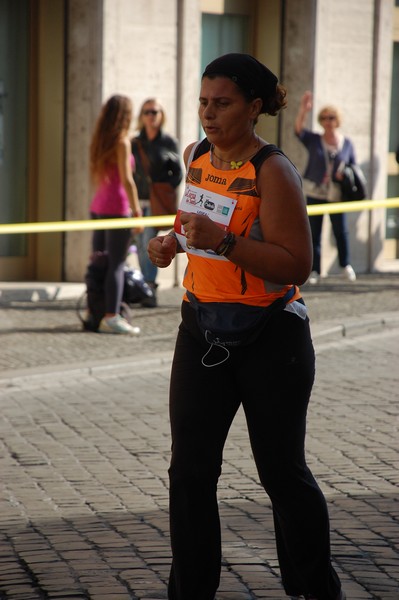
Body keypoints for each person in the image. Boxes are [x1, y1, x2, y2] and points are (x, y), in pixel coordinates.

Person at [147, 53, 346, 600]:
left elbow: (295, 265)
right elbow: (190, 227)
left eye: (223, 103)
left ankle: (313, 589)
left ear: (254, 107)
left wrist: (225, 242)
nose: (209, 114)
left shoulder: (274, 171)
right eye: (204, 103)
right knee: (188, 474)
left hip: (270, 337)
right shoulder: (196, 155)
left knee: (282, 475)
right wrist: (169, 245)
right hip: (200, 328)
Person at [89, 94, 142, 334]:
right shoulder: (122, 141)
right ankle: (112, 315)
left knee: (99, 263)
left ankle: (95, 312)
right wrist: (138, 211)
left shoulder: (100, 140)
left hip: (98, 206)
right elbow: (127, 181)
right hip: (118, 208)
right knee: (117, 264)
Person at [295, 91, 357, 285]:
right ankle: (315, 270)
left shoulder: (346, 143)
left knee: (341, 231)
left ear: (337, 120)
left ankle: (345, 266)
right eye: (323, 118)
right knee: (314, 232)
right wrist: (303, 110)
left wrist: (343, 173)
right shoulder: (314, 139)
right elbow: (298, 131)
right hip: (316, 190)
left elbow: (353, 165)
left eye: (331, 117)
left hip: (337, 193)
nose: (327, 121)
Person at [131, 98, 183, 307]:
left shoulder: (169, 142)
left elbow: (178, 173)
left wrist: (165, 188)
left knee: (147, 242)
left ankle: (149, 286)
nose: (151, 116)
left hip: (156, 201)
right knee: (138, 244)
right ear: (141, 116)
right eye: (147, 112)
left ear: (162, 115)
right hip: (137, 199)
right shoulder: (135, 142)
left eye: (155, 112)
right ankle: (144, 285)